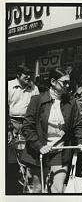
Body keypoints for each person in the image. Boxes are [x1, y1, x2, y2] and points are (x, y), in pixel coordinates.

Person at [20, 67, 82, 193]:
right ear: (53, 82)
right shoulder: (37, 100)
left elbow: (77, 125)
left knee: (58, 189)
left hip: (60, 151)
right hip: (38, 151)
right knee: (37, 189)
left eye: (69, 82)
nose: (68, 85)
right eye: (64, 82)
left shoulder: (71, 102)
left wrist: (81, 142)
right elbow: (27, 127)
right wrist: (39, 146)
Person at [7, 65, 40, 194]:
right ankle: (11, 185)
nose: (28, 77)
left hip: (28, 124)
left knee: (27, 153)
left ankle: (26, 186)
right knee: (11, 155)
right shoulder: (8, 86)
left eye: (30, 74)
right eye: (25, 74)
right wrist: (8, 127)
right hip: (11, 122)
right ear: (18, 75)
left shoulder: (34, 88)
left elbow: (37, 109)